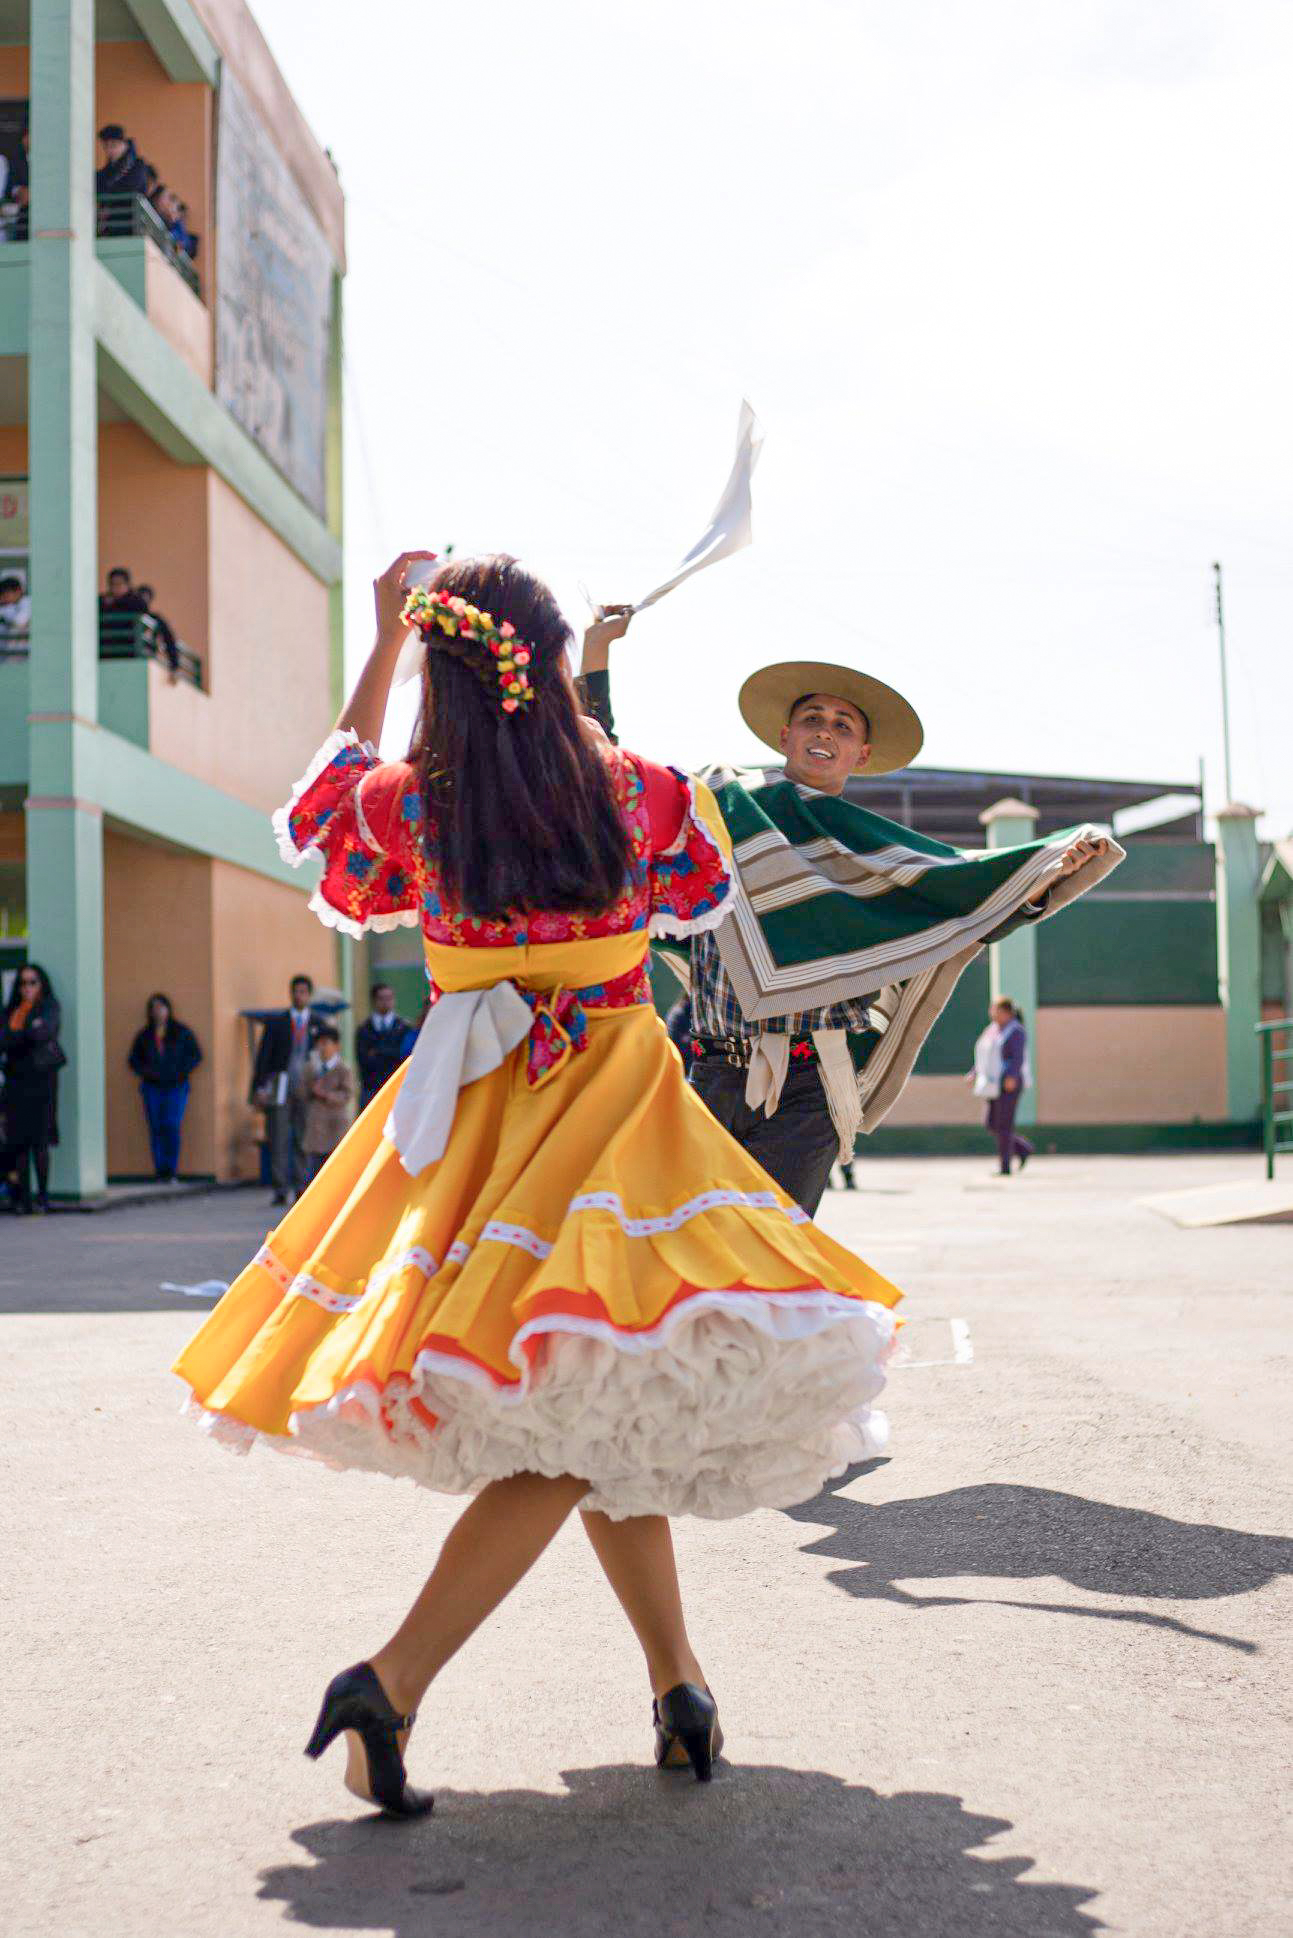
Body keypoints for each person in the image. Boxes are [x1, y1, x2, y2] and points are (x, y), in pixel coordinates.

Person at [175, 550, 905, 1816]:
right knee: (580, 1405)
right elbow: (690, 887)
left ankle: (681, 1687)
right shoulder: (635, 794)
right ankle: (391, 1680)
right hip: (617, 1122)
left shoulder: (415, 804)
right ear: (553, 662)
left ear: (445, 672)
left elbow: (321, 804)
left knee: (593, 1402)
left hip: (472, 1130)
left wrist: (385, 637)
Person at [579, 619, 1119, 1216]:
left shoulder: (872, 855)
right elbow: (616, 781)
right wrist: (596, 654)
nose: (825, 732)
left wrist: (1048, 872)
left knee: (776, 1261)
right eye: (812, 718)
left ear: (860, 754)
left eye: (843, 726)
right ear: (785, 735)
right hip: (715, 1074)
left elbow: (965, 900)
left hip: (813, 1091)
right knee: (683, 1247)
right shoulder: (722, 804)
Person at [251, 974, 324, 1206]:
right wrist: (259, 1087)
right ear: (290, 994)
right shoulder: (277, 1022)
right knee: (278, 1136)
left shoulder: (318, 1023)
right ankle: (280, 1187)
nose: (299, 995)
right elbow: (263, 1057)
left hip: (307, 1086)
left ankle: (302, 1185)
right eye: (296, 991)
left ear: (309, 995)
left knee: (304, 1137)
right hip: (280, 1085)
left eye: (303, 991)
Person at [1, 964, 64, 1215]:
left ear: (42, 984)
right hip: (15, 1082)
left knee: (40, 1140)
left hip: (41, 1081)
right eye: (23, 983)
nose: (27, 988)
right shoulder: (11, 1011)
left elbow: (44, 1033)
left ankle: (43, 1196)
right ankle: (22, 1197)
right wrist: (26, 1033)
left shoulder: (49, 1007)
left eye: (32, 982)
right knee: (18, 1142)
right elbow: (5, 1039)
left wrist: (18, 1037)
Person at [127, 993, 202, 1182]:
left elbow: (195, 1056)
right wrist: (147, 1072)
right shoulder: (145, 1036)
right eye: (154, 1009)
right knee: (156, 1126)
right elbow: (133, 1060)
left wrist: (180, 1072)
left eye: (161, 1008)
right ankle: (160, 1170)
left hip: (176, 1085)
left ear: (168, 1010)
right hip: (152, 1086)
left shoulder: (180, 1032)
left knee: (171, 1125)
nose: (158, 1012)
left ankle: (172, 1169)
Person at [978, 997, 1034, 1176]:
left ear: (1007, 1012)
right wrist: (974, 1072)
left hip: (1010, 1083)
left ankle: (1005, 1166)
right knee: (992, 1123)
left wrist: (1012, 1076)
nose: (992, 1013)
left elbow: (1017, 1057)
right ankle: (1022, 1148)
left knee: (1004, 1125)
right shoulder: (993, 1030)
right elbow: (985, 1053)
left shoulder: (1016, 1031)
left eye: (996, 1010)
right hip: (993, 1083)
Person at [303, 1025, 353, 1180]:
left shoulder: (343, 1069)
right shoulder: (312, 1068)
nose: (322, 1048)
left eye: (326, 1043)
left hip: (335, 1126)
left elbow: (347, 1094)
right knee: (315, 1171)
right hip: (316, 1127)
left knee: (335, 1171)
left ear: (336, 1046)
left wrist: (326, 1095)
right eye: (319, 1044)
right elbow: (302, 1093)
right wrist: (310, 1088)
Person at [354, 982, 411, 1110]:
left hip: (397, 1087)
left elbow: (403, 1056)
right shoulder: (364, 1029)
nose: (386, 1002)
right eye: (381, 998)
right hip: (371, 1089)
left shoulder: (403, 1028)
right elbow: (364, 1061)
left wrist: (378, 1051)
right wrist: (389, 1053)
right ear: (374, 1001)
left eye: (389, 998)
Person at [95, 124, 148, 203]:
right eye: (106, 146)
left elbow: (131, 188)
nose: (109, 150)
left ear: (124, 144)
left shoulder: (137, 165)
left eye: (114, 145)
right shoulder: (108, 170)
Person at [135, 584, 180, 675]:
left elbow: (168, 639)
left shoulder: (155, 619)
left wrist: (174, 665)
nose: (143, 601)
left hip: (146, 656)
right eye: (140, 598)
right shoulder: (127, 614)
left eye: (145, 598)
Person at [0, 574, 30, 641]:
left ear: (18, 591)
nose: (5, 597)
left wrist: (3, 620)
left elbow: (20, 623)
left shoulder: (27, 602)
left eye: (7, 594)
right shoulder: (11, 606)